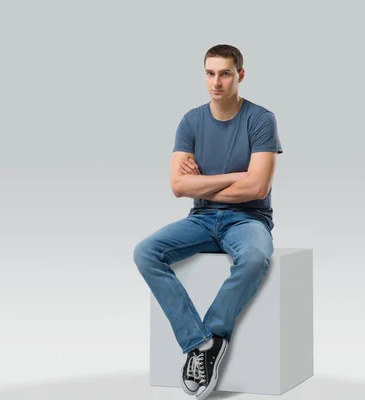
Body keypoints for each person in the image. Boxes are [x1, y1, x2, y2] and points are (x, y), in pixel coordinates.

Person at [133, 44, 283, 399]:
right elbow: (177, 186)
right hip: (200, 219)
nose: (216, 82)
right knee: (146, 252)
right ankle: (197, 343)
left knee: (255, 257)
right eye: (210, 73)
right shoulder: (191, 121)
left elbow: (259, 186)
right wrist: (235, 177)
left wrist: (202, 183)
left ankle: (215, 334)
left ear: (240, 75)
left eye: (225, 73)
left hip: (248, 218)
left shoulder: (261, 119)